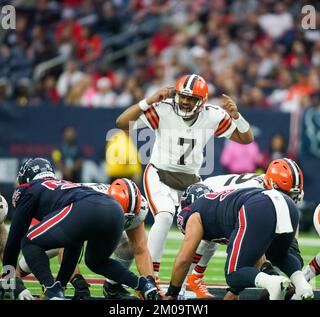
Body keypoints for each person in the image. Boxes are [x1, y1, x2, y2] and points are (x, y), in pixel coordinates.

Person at [116, 73, 254, 298]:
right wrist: (149, 100)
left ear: (202, 101)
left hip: (191, 181)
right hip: (160, 174)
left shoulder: (213, 115)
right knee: (164, 216)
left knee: (210, 225)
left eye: (191, 98)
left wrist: (237, 116)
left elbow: (246, 138)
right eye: (183, 96)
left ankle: (192, 278)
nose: (185, 102)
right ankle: (151, 279)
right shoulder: (163, 108)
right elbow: (121, 123)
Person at [1, 158, 159, 300]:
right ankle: (143, 285)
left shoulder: (29, 189)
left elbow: (13, 243)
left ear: (25, 178)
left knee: (29, 241)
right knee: (96, 261)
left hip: (85, 207)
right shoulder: (66, 185)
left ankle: (51, 292)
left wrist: (11, 283)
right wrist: (61, 285)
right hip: (115, 209)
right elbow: (73, 245)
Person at [164, 184, 314, 300]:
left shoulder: (194, 212)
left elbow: (184, 259)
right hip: (286, 202)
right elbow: (255, 254)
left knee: (233, 273)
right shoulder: (220, 207)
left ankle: (273, 283)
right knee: (278, 255)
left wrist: (172, 293)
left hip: (258, 207)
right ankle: (301, 284)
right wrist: (234, 290)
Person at [186, 158, 305, 298]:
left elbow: (288, 233)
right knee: (205, 239)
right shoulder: (255, 193)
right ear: (271, 184)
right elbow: (250, 243)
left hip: (238, 205)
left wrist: (291, 250)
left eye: (292, 195)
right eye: (286, 194)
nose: (289, 197)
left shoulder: (281, 193)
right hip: (210, 193)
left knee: (281, 253)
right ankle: (192, 279)